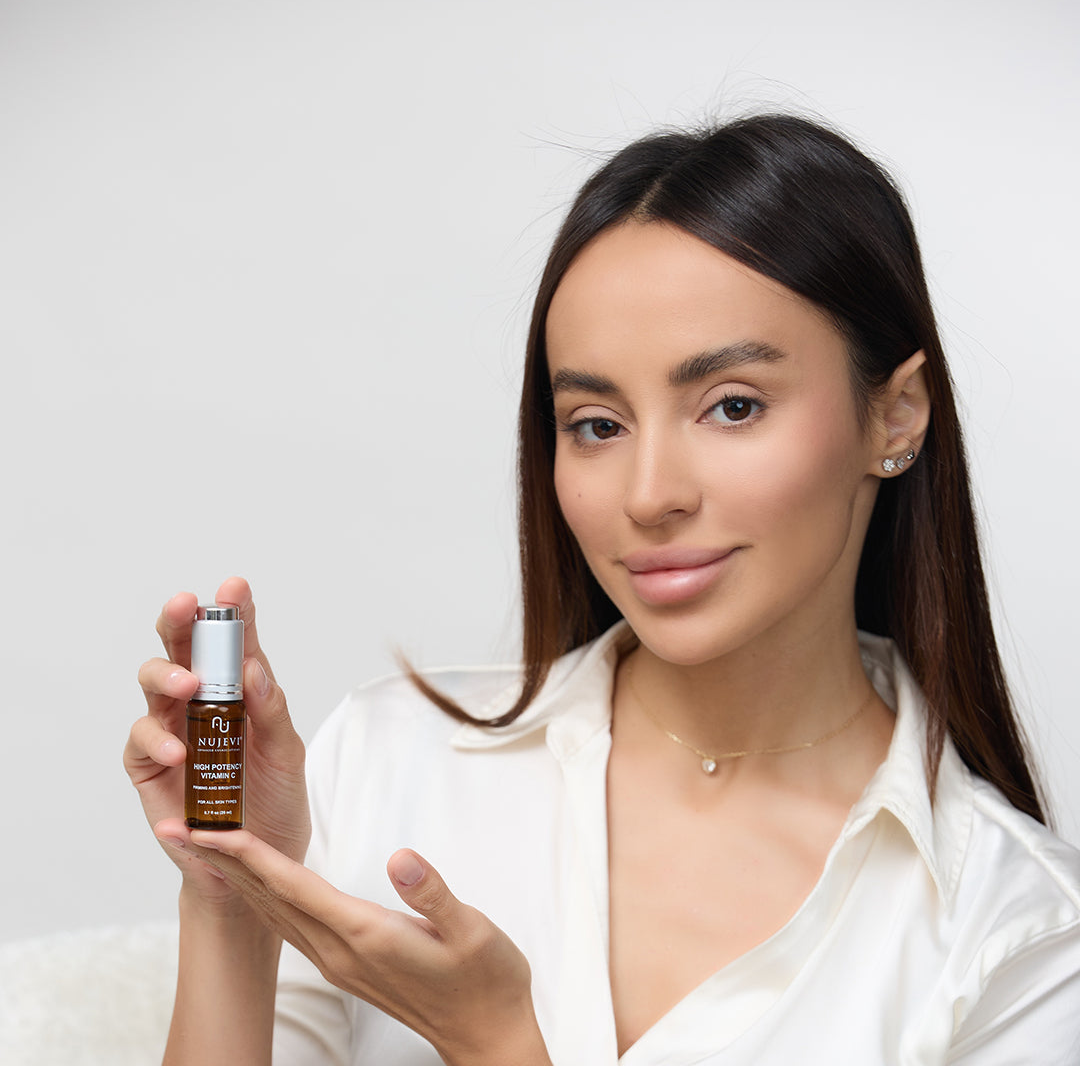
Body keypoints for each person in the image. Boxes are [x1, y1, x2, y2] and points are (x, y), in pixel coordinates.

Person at [126, 114, 1080, 1065]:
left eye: (732, 406)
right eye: (595, 424)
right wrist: (231, 898)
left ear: (895, 415)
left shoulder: (1022, 935)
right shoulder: (387, 761)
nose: (651, 495)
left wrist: (495, 1043)